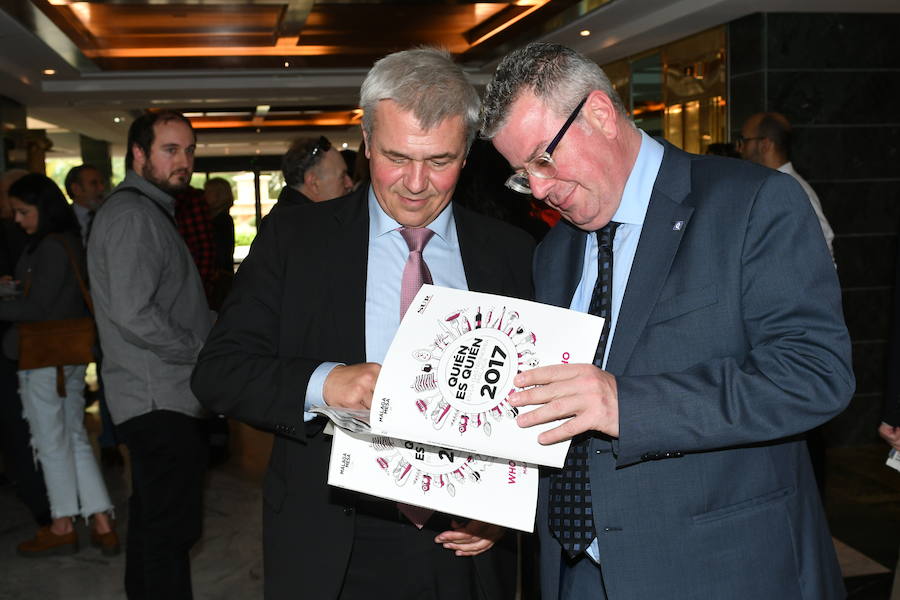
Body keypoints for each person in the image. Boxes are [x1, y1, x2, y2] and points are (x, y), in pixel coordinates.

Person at [481, 42, 854, 600]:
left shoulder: (752, 204)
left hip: (718, 569)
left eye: (544, 159)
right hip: (577, 572)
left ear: (601, 115)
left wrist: (624, 404)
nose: (537, 189)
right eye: (520, 174)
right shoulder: (554, 253)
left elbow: (813, 376)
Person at [192, 47, 533, 600]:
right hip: (331, 539)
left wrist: (505, 504)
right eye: (398, 157)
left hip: (464, 546)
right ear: (367, 140)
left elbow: (535, 401)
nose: (417, 183)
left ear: (468, 153)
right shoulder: (295, 242)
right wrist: (325, 384)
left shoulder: (513, 252)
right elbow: (220, 373)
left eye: (440, 161)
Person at [88, 110, 212, 599]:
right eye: (170, 150)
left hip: (159, 394)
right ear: (138, 154)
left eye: (189, 150)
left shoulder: (148, 209)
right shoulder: (133, 214)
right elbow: (134, 314)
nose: (184, 161)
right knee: (169, 534)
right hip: (158, 397)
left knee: (154, 527)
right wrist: (200, 349)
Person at [0, 173, 118, 557]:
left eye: (24, 211)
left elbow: (38, 309)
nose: (19, 219)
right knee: (74, 439)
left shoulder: (49, 246)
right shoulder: (65, 241)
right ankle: (101, 522)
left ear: (43, 208)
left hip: (44, 357)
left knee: (50, 443)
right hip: (63, 358)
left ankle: (63, 525)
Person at [738, 112, 835, 259]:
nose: (740, 149)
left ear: (765, 145)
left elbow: (824, 247)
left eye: (744, 141)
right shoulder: (775, 185)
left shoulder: (792, 190)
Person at [268, 135, 353, 218]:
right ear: (314, 183)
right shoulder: (308, 226)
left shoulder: (282, 220)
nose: (350, 184)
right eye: (342, 176)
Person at [203, 177, 236, 311]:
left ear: (218, 196)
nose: (204, 195)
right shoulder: (220, 219)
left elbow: (221, 253)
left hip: (219, 278)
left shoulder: (221, 221)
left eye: (207, 192)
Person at [63, 164, 106, 246]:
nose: (101, 188)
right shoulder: (62, 219)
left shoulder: (109, 214)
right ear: (76, 189)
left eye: (102, 182)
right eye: (94, 183)